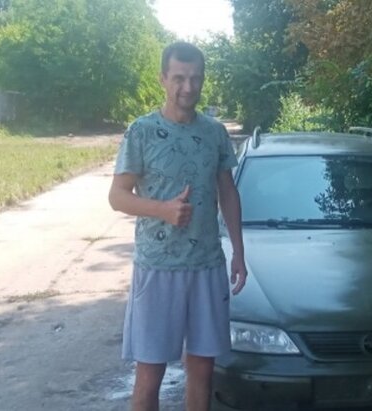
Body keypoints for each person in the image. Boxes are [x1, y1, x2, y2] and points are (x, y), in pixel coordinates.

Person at [108, 41, 246, 411]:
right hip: (158, 267)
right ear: (163, 79)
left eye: (196, 78)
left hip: (207, 265)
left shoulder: (214, 132)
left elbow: (228, 192)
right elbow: (117, 196)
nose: (188, 87)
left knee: (202, 372)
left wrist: (239, 252)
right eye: (180, 78)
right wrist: (162, 210)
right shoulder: (142, 131)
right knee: (149, 377)